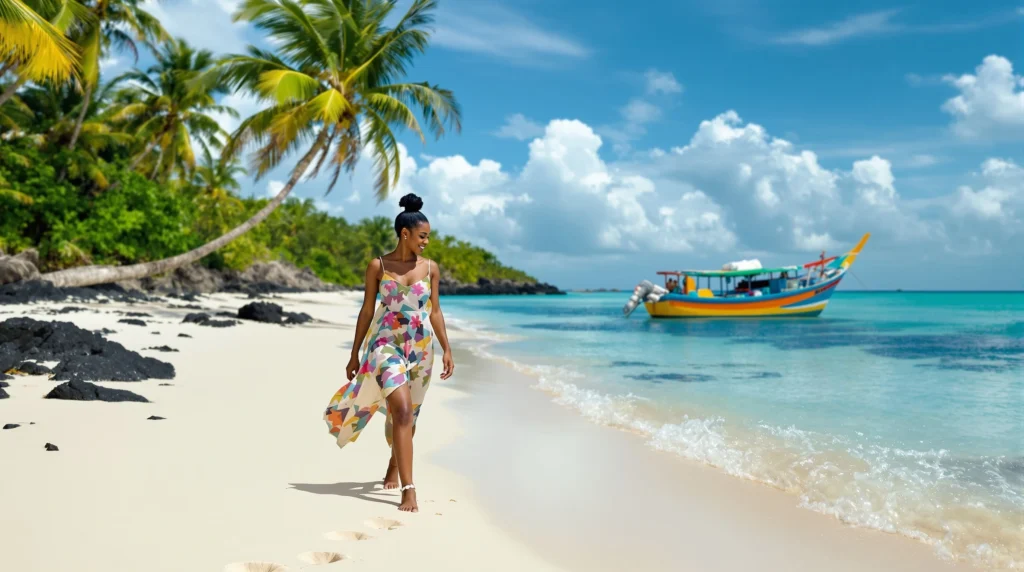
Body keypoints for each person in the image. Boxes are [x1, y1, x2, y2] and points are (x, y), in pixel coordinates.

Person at [323, 193, 455, 513]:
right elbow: (367, 310)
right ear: (405, 234)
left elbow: (434, 311)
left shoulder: (431, 269)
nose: (427, 242)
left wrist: (447, 348)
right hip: (385, 345)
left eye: (428, 237)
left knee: (410, 416)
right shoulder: (378, 266)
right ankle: (409, 490)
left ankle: (395, 464)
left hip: (422, 349)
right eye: (423, 236)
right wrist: (354, 354)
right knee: (402, 411)